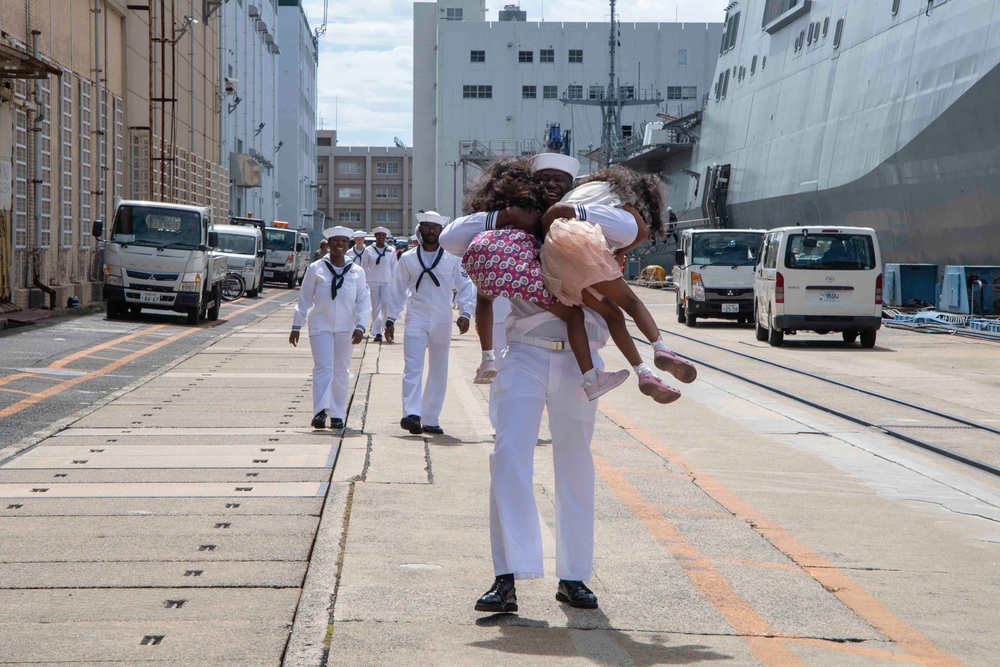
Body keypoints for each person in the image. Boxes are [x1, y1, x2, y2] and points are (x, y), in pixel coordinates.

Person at [441, 153, 638, 613]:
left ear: (573, 186)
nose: (551, 186)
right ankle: (506, 577)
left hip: (578, 360)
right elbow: (452, 238)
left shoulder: (588, 224)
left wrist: (574, 212)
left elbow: (631, 230)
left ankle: (573, 577)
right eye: (543, 179)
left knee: (575, 464)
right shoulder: (512, 228)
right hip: (524, 354)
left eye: (561, 181)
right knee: (507, 456)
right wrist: (505, 215)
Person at [462, 159, 692, 404]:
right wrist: (621, 252)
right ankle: (660, 349)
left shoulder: (552, 203)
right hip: (584, 250)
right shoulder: (614, 196)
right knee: (630, 303)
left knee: (598, 315)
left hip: (555, 269)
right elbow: (642, 231)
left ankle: (624, 375)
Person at [384, 211, 476, 435]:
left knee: (438, 369)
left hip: (442, 319)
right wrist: (390, 319)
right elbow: (397, 290)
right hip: (416, 317)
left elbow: (465, 286)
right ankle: (411, 414)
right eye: (426, 227)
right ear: (420, 230)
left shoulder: (453, 258)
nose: (431, 231)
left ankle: (431, 417)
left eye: (435, 227)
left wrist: (465, 312)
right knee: (413, 367)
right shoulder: (407, 258)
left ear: (441, 231)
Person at [289, 226, 371, 431]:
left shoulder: (356, 271)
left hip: (347, 327)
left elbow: (363, 301)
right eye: (336, 241)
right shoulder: (316, 268)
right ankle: (319, 412)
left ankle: (337, 414)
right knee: (323, 367)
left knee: (341, 371)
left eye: (344, 241)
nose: (340, 245)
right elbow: (305, 298)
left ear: (348, 244)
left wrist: (361, 325)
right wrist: (297, 324)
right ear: (329, 244)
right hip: (321, 325)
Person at [361, 226, 398, 343]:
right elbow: (364, 266)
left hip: (387, 282)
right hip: (373, 281)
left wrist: (394, 282)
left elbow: (394, 267)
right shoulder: (368, 250)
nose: (381, 237)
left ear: (385, 237)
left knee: (386, 306)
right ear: (375, 236)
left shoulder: (391, 250)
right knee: (375, 307)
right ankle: (377, 332)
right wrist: (365, 281)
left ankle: (386, 328)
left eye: (383, 235)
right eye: (379, 235)